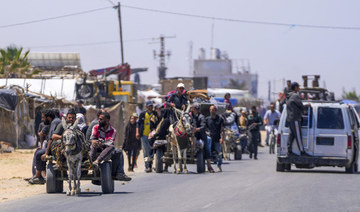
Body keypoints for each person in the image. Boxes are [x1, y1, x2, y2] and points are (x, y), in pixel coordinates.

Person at [90, 112, 131, 181]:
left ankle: (117, 173)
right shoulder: (96, 127)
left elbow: (110, 142)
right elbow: (93, 138)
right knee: (93, 145)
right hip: (96, 147)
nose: (99, 120)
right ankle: (90, 161)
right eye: (99, 119)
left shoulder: (112, 130)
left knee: (114, 148)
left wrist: (102, 143)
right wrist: (94, 141)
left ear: (107, 120)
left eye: (101, 119)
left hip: (106, 148)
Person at [29, 109, 60, 184]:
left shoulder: (54, 122)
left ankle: (39, 176)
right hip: (56, 146)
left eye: (44, 117)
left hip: (56, 148)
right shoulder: (56, 121)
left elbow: (50, 139)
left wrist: (46, 153)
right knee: (39, 152)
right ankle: (39, 174)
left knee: (39, 154)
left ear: (48, 117)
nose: (42, 119)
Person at [286, 82, 309, 156]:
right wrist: (308, 105)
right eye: (298, 87)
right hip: (295, 118)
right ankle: (302, 151)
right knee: (298, 135)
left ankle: (289, 151)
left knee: (292, 135)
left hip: (290, 118)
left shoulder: (289, 96)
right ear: (295, 87)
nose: (299, 88)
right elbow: (301, 106)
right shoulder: (295, 96)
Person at [191, 104, 214, 172]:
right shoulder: (189, 116)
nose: (193, 110)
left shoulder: (201, 117)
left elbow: (203, 126)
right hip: (191, 135)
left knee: (207, 148)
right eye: (193, 108)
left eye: (194, 109)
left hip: (201, 135)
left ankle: (209, 165)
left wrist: (196, 129)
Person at [136, 101, 155, 172]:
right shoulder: (143, 114)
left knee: (151, 151)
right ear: (146, 106)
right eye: (149, 106)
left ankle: (150, 165)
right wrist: (137, 132)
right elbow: (138, 124)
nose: (150, 107)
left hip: (152, 135)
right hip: (144, 135)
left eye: (151, 106)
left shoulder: (154, 114)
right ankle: (147, 166)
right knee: (145, 151)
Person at [205, 105, 225, 172]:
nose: (211, 111)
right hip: (210, 139)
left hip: (217, 138)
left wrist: (222, 138)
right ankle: (208, 166)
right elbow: (204, 128)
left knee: (219, 153)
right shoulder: (207, 119)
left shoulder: (220, 119)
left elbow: (222, 130)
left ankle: (219, 166)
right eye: (210, 109)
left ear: (215, 111)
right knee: (208, 153)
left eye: (213, 109)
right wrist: (206, 133)